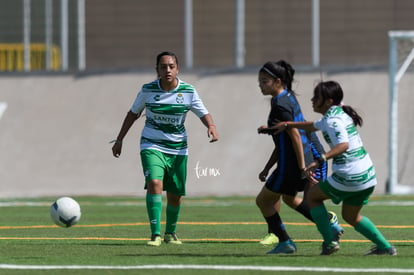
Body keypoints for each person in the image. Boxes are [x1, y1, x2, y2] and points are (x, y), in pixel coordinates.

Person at [272, 80, 397, 256]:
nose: (312, 100)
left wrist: (320, 160)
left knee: (313, 198)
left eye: (317, 97)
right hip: (367, 176)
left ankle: (330, 241)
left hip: (350, 175)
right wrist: (288, 125)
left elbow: (343, 145)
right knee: (351, 217)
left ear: (329, 101)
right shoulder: (335, 114)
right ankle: (385, 247)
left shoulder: (333, 121)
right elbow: (312, 126)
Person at [111, 51, 219, 246]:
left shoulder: (188, 91)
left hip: (178, 149)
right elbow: (132, 114)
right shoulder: (148, 90)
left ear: (177, 69)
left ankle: (170, 232)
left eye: (171, 66)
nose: (167, 70)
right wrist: (120, 139)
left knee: (175, 195)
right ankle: (155, 234)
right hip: (151, 145)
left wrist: (211, 126)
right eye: (163, 67)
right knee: (154, 183)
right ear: (157, 70)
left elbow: (204, 113)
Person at [256, 60, 342, 253]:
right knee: (289, 198)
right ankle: (329, 226)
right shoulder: (287, 97)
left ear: (278, 81)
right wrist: (270, 131)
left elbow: (294, 134)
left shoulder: (280, 103)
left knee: (263, 201)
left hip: (292, 164)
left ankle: (285, 241)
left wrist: (302, 166)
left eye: (264, 81)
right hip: (298, 159)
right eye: (259, 81)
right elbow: (287, 132)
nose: (260, 85)